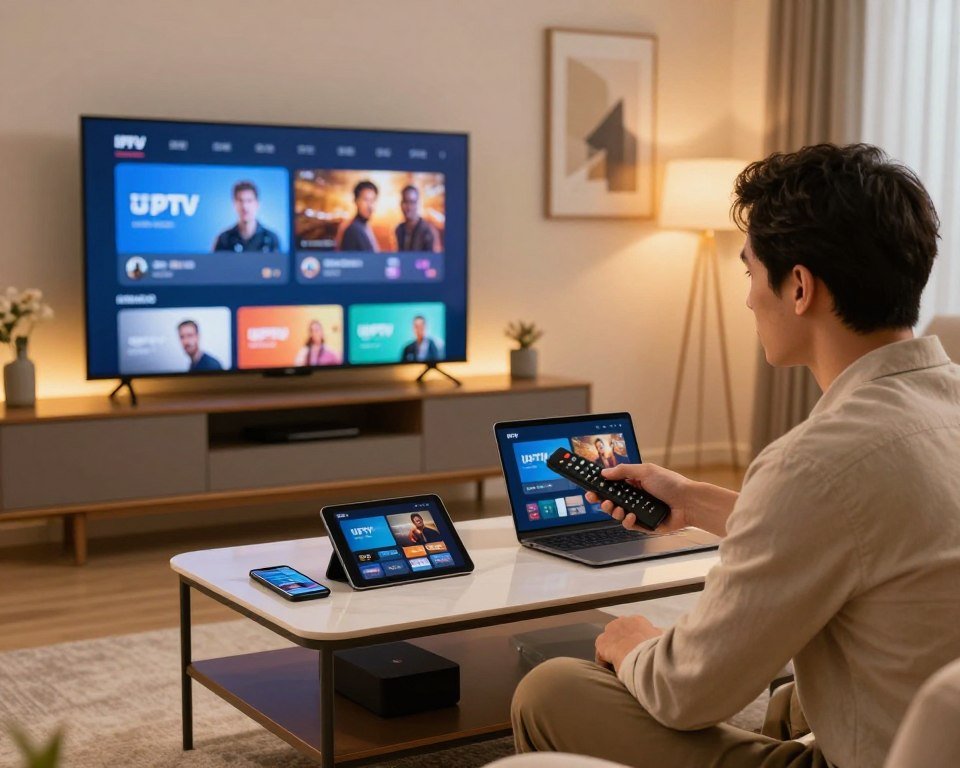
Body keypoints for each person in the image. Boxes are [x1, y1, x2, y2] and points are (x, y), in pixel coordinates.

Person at [511, 144, 960, 768]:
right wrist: (692, 500)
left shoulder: (816, 462)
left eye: (750, 272)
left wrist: (637, 645)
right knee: (787, 689)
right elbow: (862, 526)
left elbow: (685, 693)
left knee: (551, 690)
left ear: (799, 287)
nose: (749, 298)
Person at [212, 181, 281, 253]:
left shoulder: (271, 239)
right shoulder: (224, 239)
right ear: (234, 204)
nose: (245, 206)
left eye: (249, 201)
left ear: (257, 204)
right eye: (240, 201)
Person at [395, 185, 442, 252]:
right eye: (405, 202)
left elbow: (434, 259)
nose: (409, 207)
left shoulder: (428, 231)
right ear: (401, 204)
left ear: (418, 204)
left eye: (412, 202)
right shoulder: (399, 229)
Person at [337, 180, 380, 252]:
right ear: (356, 201)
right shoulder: (352, 230)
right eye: (366, 200)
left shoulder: (365, 227)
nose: (370, 206)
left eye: (373, 200)